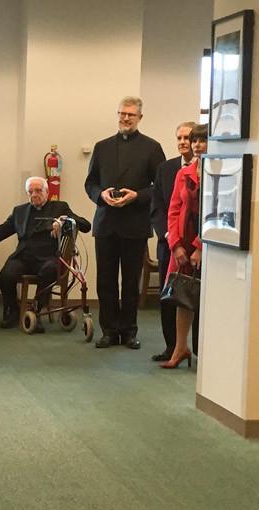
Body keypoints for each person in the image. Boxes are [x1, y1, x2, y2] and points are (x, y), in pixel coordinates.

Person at [0, 176, 90, 331]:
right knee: (5, 275)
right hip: (24, 257)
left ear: (47, 192)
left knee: (49, 271)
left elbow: (86, 225)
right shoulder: (19, 211)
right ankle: (13, 311)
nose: (34, 194)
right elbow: (0, 232)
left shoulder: (60, 208)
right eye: (30, 191)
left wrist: (64, 220)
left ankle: (36, 312)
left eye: (38, 190)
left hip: (49, 257)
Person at [85, 96, 166, 349]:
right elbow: (90, 183)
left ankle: (129, 331)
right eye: (122, 113)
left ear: (140, 117)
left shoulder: (152, 148)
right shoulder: (102, 147)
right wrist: (101, 195)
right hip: (106, 223)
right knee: (106, 281)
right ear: (117, 115)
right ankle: (109, 330)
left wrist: (137, 196)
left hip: (135, 223)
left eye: (131, 114)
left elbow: (160, 188)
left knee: (131, 282)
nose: (126, 118)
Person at [161, 124, 207, 369]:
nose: (197, 145)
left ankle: (208, 353)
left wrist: (200, 246)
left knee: (207, 298)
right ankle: (180, 349)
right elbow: (174, 209)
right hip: (182, 241)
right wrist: (176, 245)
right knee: (183, 297)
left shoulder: (217, 171)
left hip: (207, 242)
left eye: (202, 140)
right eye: (194, 140)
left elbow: (216, 211)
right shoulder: (184, 172)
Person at [150, 121, 195, 361]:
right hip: (169, 242)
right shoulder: (165, 169)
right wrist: (170, 237)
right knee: (168, 297)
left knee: (193, 296)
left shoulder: (203, 168)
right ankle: (171, 347)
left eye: (187, 137)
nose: (182, 142)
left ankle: (194, 347)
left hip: (194, 245)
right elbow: (158, 207)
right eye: (179, 138)